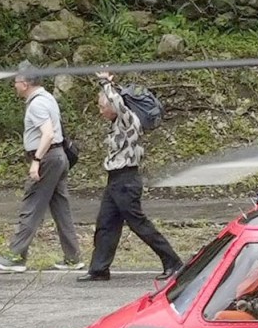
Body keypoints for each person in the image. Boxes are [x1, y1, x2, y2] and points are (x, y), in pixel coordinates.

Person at [78, 74, 183, 282]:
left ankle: (173, 262)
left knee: (139, 224)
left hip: (126, 180)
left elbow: (117, 101)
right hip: (115, 179)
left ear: (113, 105)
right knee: (106, 223)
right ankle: (99, 269)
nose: (100, 112)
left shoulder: (128, 119)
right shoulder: (119, 122)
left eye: (101, 107)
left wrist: (106, 83)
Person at [0, 63, 81, 272]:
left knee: (31, 205)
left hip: (48, 158)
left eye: (16, 82)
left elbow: (48, 134)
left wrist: (37, 160)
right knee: (61, 209)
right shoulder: (48, 98)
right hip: (58, 157)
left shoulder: (37, 105)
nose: (14, 85)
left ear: (24, 83)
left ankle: (16, 256)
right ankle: (72, 257)